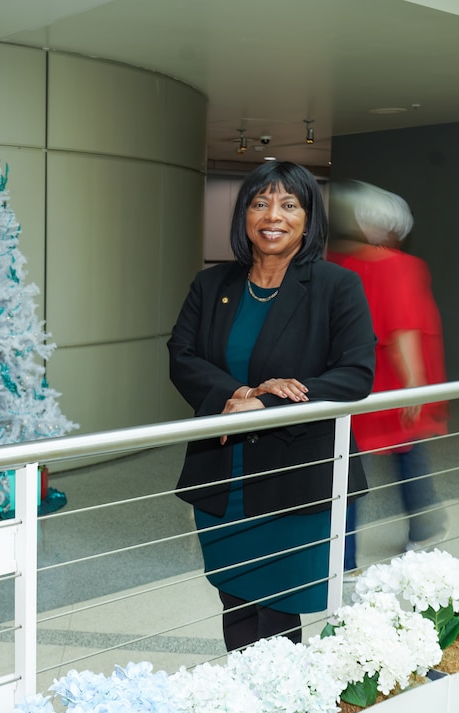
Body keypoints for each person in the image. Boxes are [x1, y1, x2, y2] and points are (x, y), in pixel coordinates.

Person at [168, 161, 375, 652]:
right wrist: (235, 395)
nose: (272, 216)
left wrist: (263, 402)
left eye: (288, 204)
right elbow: (182, 355)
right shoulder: (211, 285)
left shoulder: (334, 286)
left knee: (280, 605)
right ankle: (242, 701)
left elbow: (356, 373)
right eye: (260, 203)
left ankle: (283, 709)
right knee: (234, 599)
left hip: (294, 469)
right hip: (223, 471)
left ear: (308, 217)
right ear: (244, 215)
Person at [327, 180, 449, 569]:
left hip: (352, 384)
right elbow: (403, 332)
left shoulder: (340, 263)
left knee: (347, 472)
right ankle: (423, 529)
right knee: (408, 455)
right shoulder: (400, 267)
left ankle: (342, 560)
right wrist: (414, 388)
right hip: (391, 387)